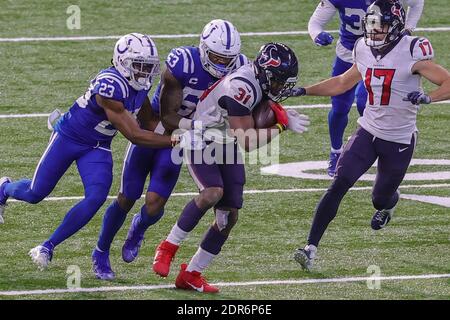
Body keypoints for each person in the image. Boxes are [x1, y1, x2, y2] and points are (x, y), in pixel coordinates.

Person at [288, 0, 450, 270]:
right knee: (340, 182)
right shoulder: (362, 47)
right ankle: (310, 248)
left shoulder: (412, 49)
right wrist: (304, 90)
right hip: (368, 129)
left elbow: (447, 81)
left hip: (399, 138)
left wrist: (427, 97)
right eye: (371, 25)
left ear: (396, 26)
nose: (374, 32)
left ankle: (389, 204)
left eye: (381, 26)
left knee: (380, 198)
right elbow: (342, 82)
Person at [0, 33, 175, 270]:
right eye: (139, 66)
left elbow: (147, 123)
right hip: (68, 138)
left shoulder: (140, 86)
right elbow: (134, 135)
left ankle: (48, 246)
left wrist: (187, 130)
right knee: (35, 193)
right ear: (122, 62)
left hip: (97, 146)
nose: (144, 73)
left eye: (148, 67)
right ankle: (4, 188)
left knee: (96, 197)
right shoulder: (110, 85)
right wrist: (174, 140)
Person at [92, 19, 249, 280]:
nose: (222, 65)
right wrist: (198, 127)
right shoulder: (184, 63)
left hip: (185, 138)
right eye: (216, 58)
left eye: (227, 60)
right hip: (158, 129)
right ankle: (101, 251)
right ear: (203, 48)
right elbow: (167, 117)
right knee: (127, 196)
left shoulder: (241, 67)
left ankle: (139, 227)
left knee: (153, 205)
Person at [152, 43, 310, 293]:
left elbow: (257, 113)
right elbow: (247, 141)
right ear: (266, 73)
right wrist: (280, 126)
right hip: (202, 136)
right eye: (279, 80)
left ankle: (192, 274)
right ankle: (168, 247)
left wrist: (279, 112)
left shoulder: (258, 81)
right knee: (212, 192)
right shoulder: (240, 88)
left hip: (224, 140)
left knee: (228, 216)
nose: (281, 86)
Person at [308, 0, 423, 176]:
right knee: (339, 109)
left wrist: (409, 29)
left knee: (364, 101)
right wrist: (317, 35)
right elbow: (315, 22)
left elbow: (417, 2)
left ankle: (371, 146)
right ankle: (336, 151)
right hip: (347, 54)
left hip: (382, 54)